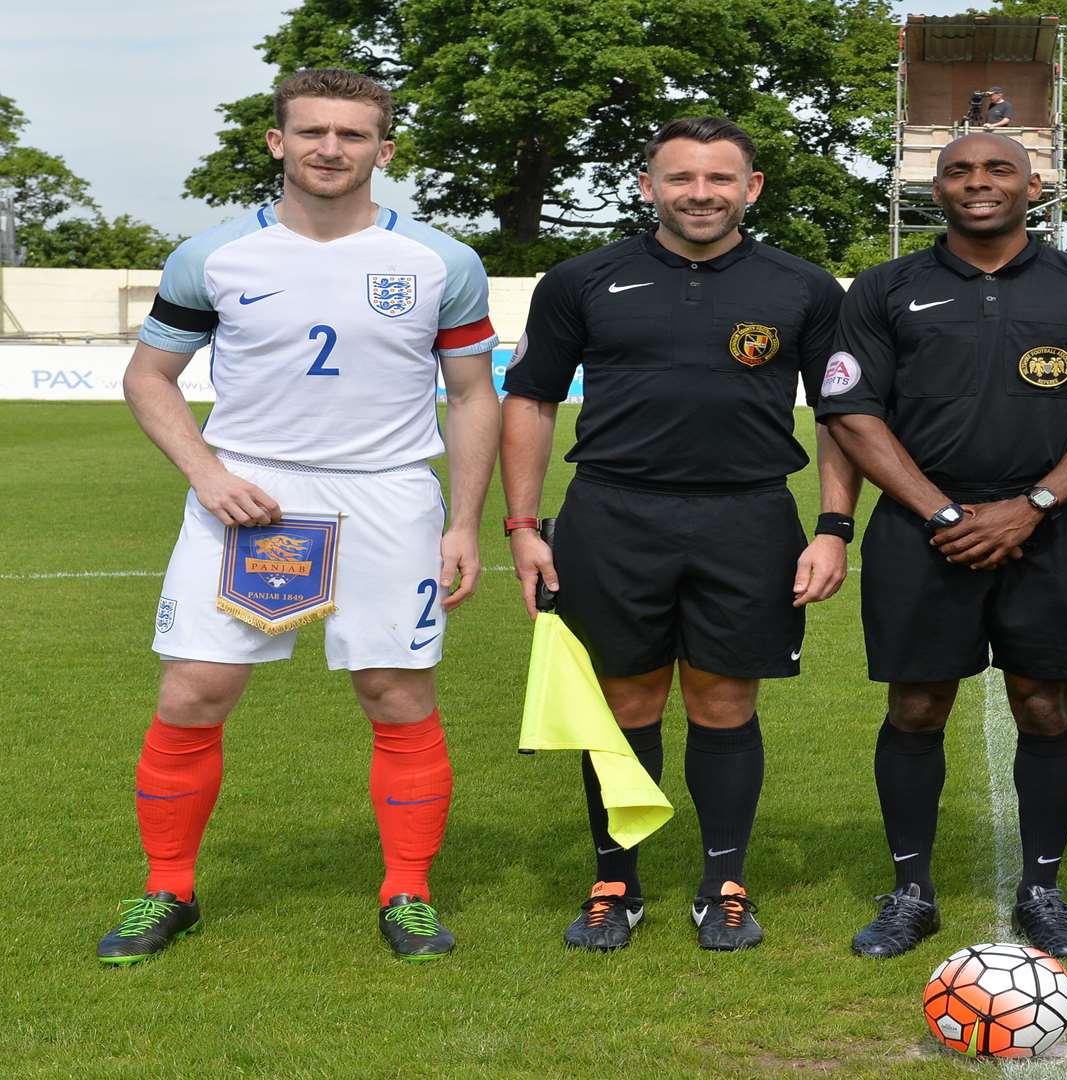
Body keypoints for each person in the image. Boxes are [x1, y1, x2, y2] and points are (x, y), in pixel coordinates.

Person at [99, 68, 499, 964]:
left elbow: (473, 397)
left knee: (396, 693)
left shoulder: (442, 263)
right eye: (312, 132)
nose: (331, 148)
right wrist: (206, 474)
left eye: (353, 135)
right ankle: (167, 889)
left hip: (389, 491)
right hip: (253, 496)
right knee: (194, 691)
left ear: (384, 150)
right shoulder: (212, 255)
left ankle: (409, 893)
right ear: (278, 142)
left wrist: (465, 522)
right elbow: (148, 378)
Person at [501, 116, 855, 953]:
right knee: (625, 702)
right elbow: (532, 401)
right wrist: (522, 525)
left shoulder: (803, 287)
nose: (701, 194)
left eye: (720, 179)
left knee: (725, 701)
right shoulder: (583, 279)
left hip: (749, 516)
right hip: (614, 514)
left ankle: (722, 882)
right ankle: (615, 883)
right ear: (647, 186)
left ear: (751, 188)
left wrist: (834, 526)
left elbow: (844, 415)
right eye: (682, 178)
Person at [819, 131, 1067, 960]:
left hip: (1052, 530)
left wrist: (1031, 506)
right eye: (959, 170)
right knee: (917, 705)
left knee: (1045, 703)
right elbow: (854, 414)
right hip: (920, 532)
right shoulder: (887, 288)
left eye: (998, 168)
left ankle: (1041, 889)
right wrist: (942, 514)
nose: (978, 183)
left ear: (1035, 186)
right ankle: (910, 893)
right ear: (936, 189)